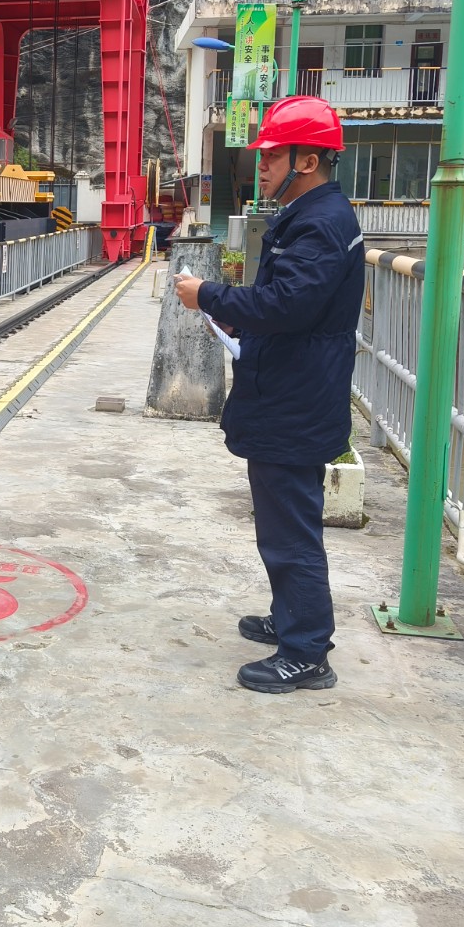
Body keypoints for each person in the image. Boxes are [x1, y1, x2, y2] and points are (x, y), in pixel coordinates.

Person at [171, 95, 364, 695]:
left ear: (307, 160)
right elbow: (291, 303)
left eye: (272, 157)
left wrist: (207, 295)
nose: (263, 167)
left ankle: (306, 653)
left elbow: (287, 304)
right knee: (282, 522)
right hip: (294, 386)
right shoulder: (312, 214)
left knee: (289, 532)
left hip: (296, 397)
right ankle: (291, 619)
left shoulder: (320, 223)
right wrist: (234, 314)